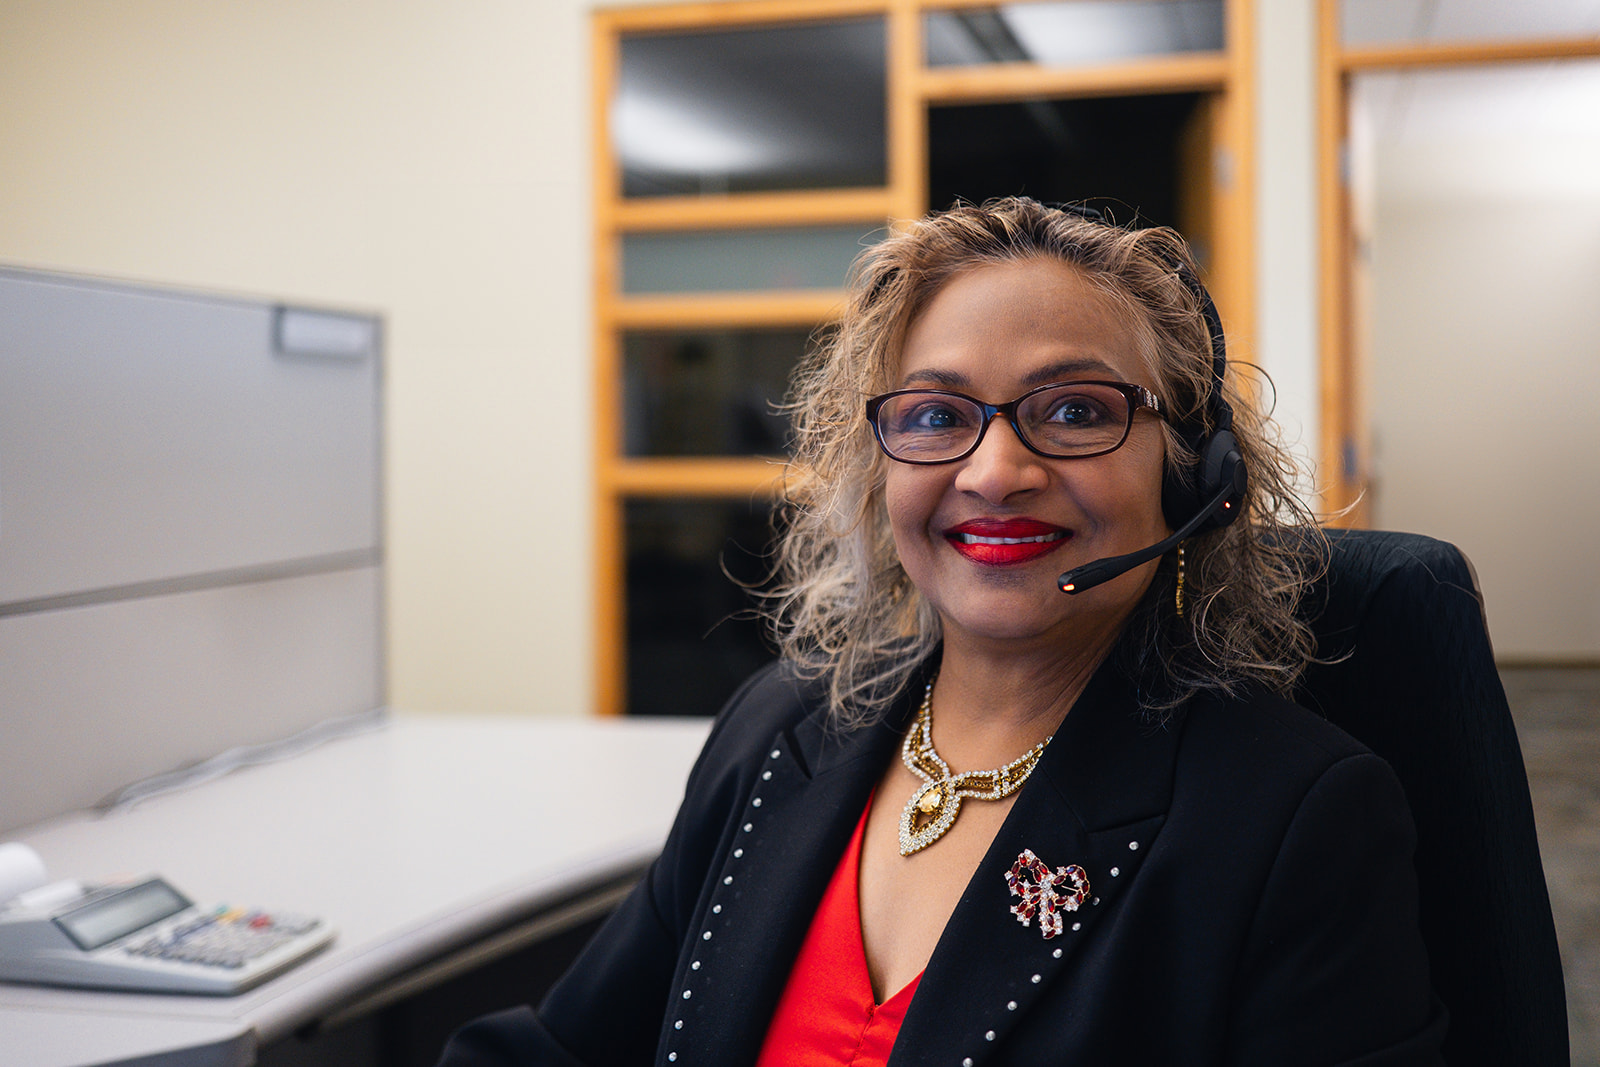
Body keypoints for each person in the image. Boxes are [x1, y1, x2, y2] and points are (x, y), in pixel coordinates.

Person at [438, 198, 1445, 1065]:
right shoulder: (781, 727)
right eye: (932, 416)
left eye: (1074, 408)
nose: (995, 470)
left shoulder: (1292, 820)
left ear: (1192, 471)